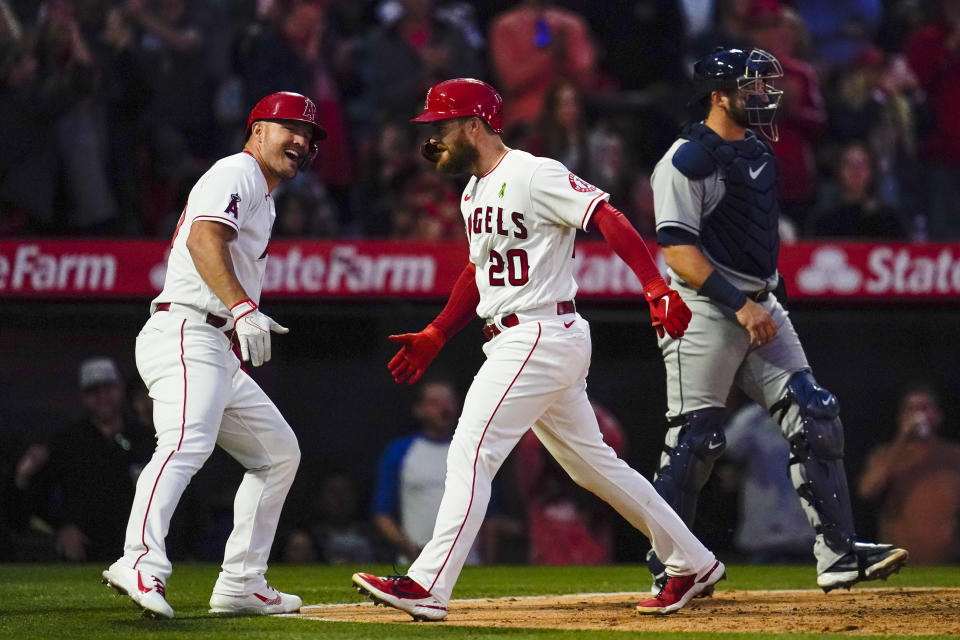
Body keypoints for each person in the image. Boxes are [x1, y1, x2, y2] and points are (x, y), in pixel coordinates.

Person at [352, 77, 724, 620]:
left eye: (442, 126)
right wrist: (437, 331)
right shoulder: (473, 190)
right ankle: (693, 560)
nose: (433, 138)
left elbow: (608, 217)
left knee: (472, 450)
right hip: (526, 336)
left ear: (475, 125)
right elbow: (479, 271)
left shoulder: (532, 171)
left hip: (538, 333)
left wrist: (656, 285)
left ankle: (428, 583)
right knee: (594, 468)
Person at [643, 47, 909, 595]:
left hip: (760, 302)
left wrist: (765, 296)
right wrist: (740, 305)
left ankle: (837, 554)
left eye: (764, 84)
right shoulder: (686, 159)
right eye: (750, 87)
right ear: (718, 97)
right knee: (695, 440)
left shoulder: (760, 149)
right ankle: (672, 563)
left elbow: (752, 240)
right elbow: (678, 253)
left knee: (815, 412)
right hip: (704, 308)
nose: (763, 96)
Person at [100, 91, 325, 620]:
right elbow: (205, 238)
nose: (301, 140)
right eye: (289, 127)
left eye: (309, 134)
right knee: (185, 442)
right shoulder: (238, 172)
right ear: (256, 130)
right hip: (188, 329)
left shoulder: (262, 196)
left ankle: (241, 583)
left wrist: (236, 317)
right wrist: (243, 308)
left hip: (215, 344)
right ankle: (139, 562)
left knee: (278, 454)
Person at [15, 358, 152, 562]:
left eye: (108, 388)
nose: (102, 397)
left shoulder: (144, 437)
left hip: (142, 551)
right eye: (93, 391)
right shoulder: (67, 441)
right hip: (86, 553)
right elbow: (37, 497)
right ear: (82, 396)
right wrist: (62, 527)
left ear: (120, 389)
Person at [372, 380, 486, 565]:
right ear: (419, 410)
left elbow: (490, 514)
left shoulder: (474, 452)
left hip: (469, 563)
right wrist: (411, 550)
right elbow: (382, 514)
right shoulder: (400, 451)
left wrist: (490, 559)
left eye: (449, 401)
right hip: (415, 563)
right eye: (434, 402)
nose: (444, 408)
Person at [858, 383, 960, 564]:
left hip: (947, 566)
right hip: (899, 566)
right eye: (911, 409)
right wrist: (903, 439)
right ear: (901, 417)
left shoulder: (953, 456)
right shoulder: (885, 456)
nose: (918, 416)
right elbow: (867, 491)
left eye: (924, 408)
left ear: (937, 416)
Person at [514, 401, 626, 565]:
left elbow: (617, 477)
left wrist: (592, 493)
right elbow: (526, 486)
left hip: (591, 508)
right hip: (549, 510)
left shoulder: (605, 425)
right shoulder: (534, 439)